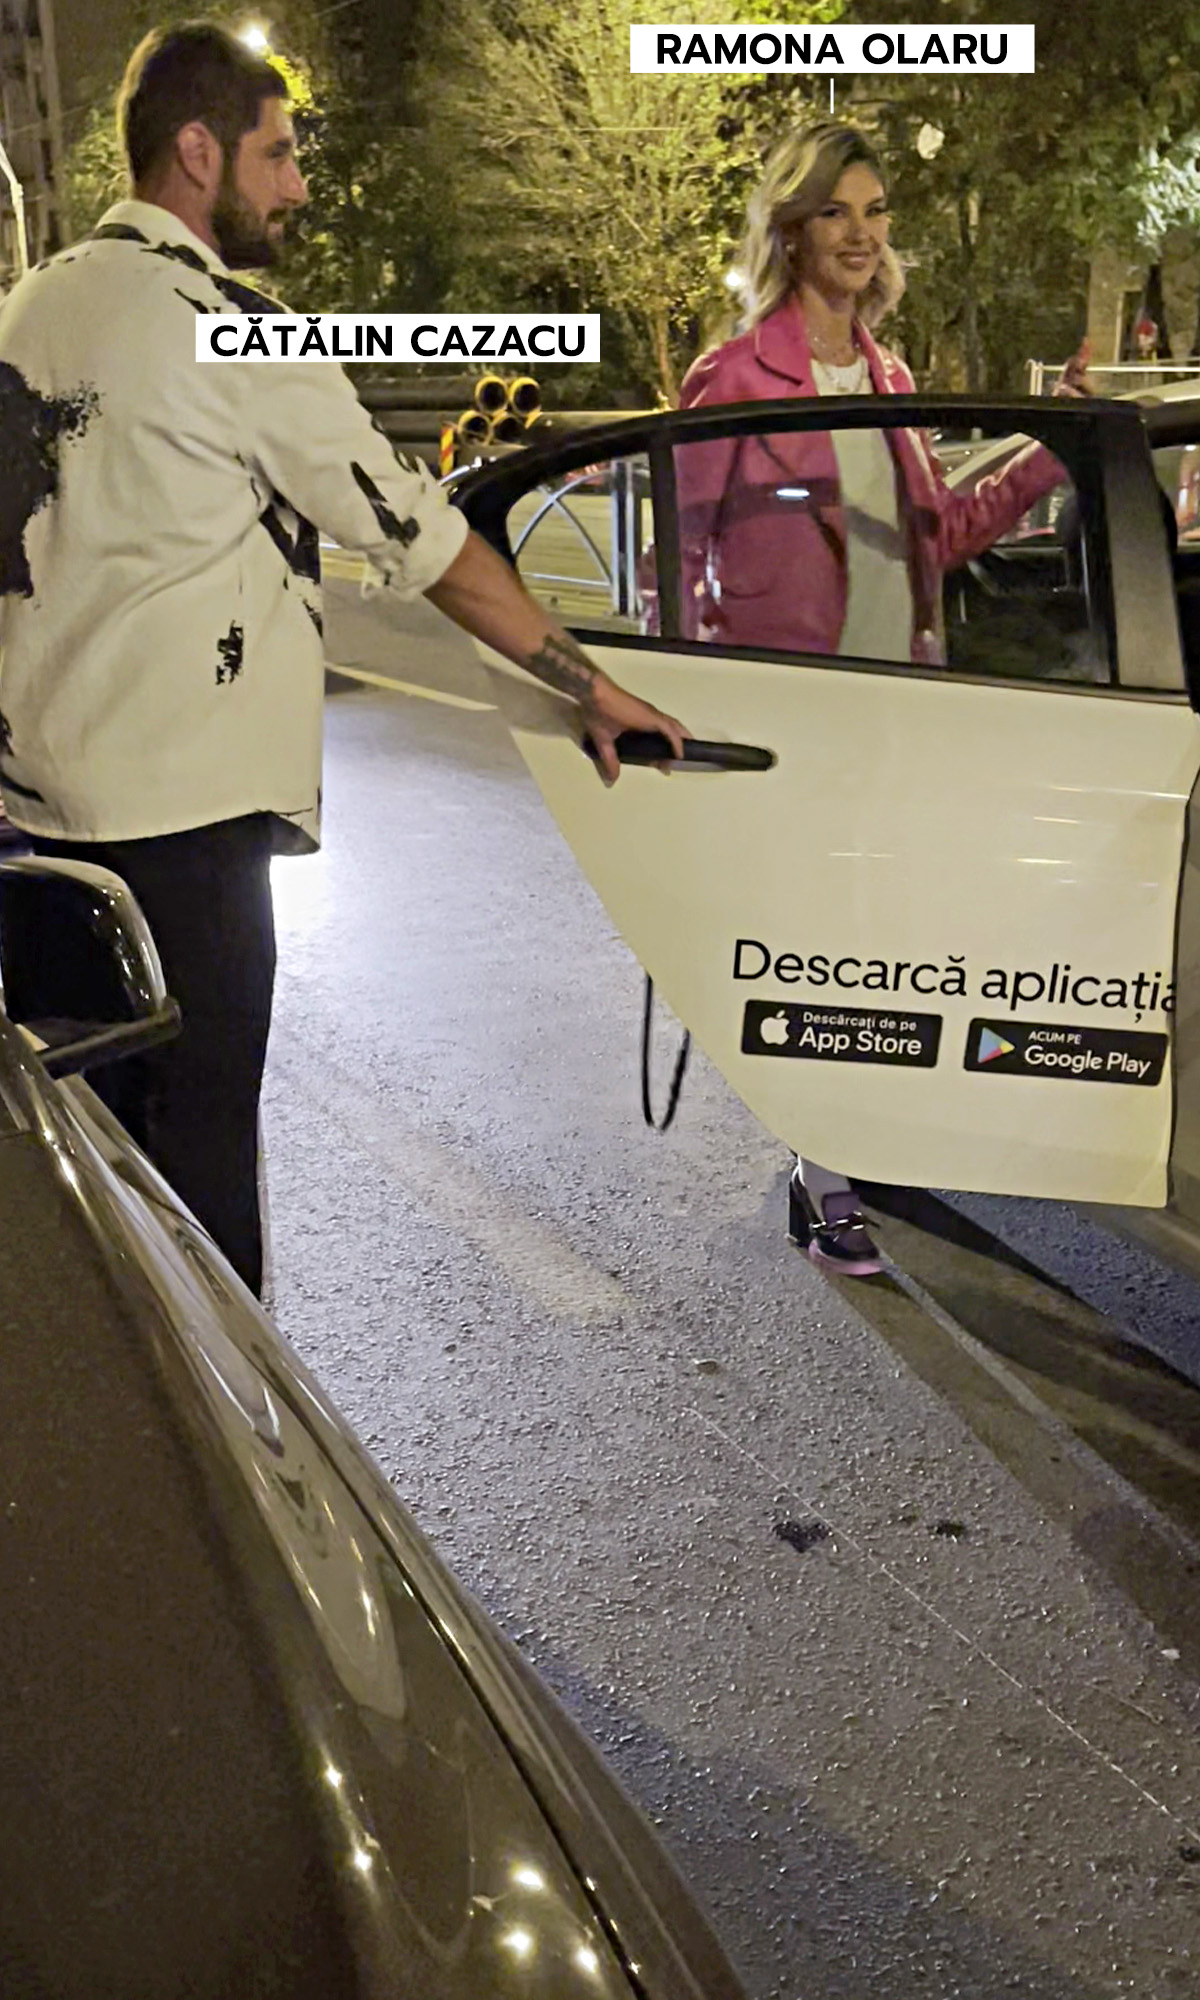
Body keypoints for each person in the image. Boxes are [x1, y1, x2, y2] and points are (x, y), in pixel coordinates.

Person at [0, 22, 686, 1299]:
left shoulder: (27, 309)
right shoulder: (229, 327)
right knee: (199, 1184)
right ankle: (231, 1425)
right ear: (198, 152)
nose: (298, 185)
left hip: (35, 845)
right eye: (276, 154)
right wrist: (590, 688)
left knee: (78, 1180)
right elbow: (417, 533)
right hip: (188, 844)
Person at [676, 121, 1077, 1275]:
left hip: (899, 707)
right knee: (822, 948)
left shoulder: (890, 378)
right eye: (836, 213)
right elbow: (675, 558)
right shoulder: (735, 377)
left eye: (874, 212)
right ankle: (824, 1179)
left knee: (883, 940)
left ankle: (853, 1137)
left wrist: (1049, 453)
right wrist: (686, 714)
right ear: (793, 232)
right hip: (799, 718)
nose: (860, 233)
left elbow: (939, 537)